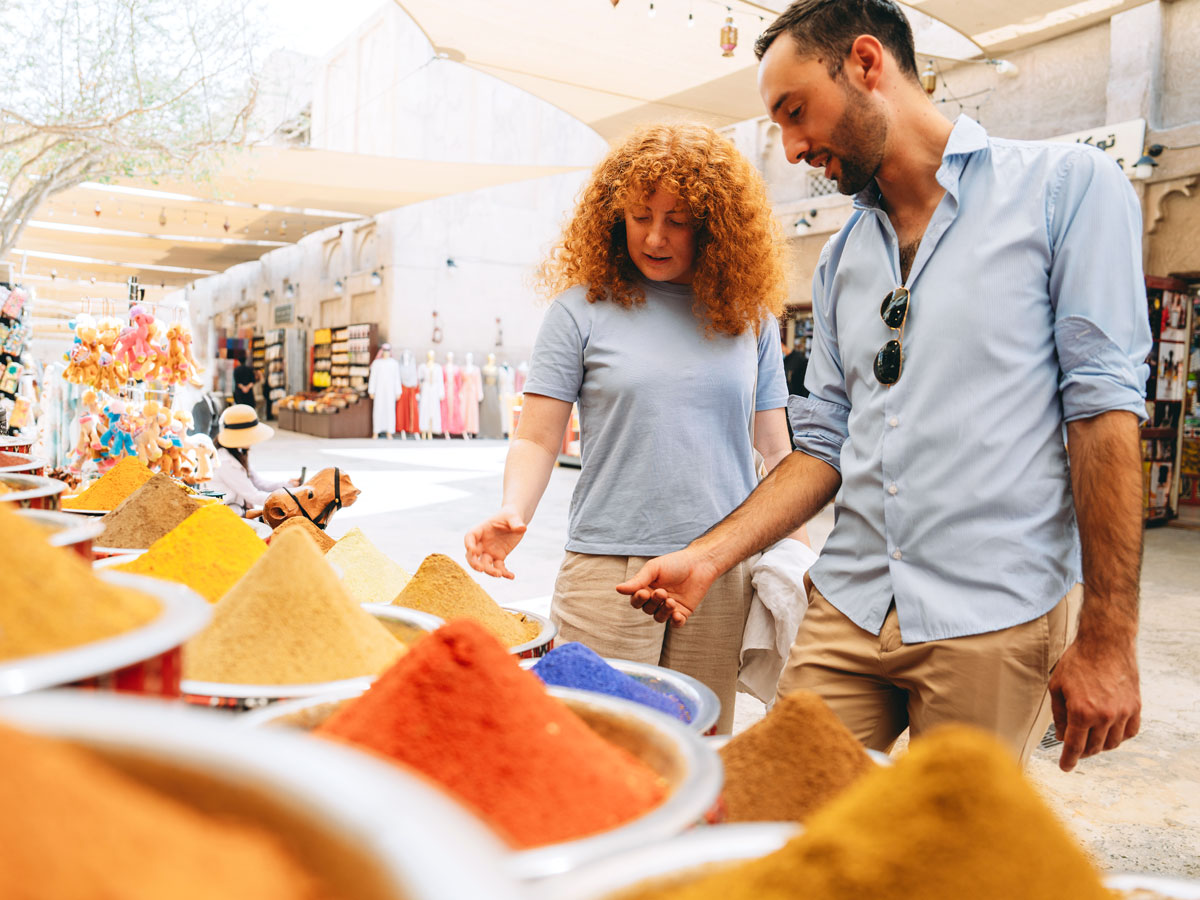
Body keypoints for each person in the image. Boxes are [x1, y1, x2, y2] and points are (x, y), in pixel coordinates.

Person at [620, 0, 1151, 771]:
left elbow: (1103, 414)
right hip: (850, 601)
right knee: (776, 813)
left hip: (994, 614)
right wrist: (707, 557)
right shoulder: (843, 258)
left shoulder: (1068, 190)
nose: (795, 147)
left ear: (867, 64)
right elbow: (824, 447)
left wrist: (1109, 636)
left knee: (944, 869)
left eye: (796, 112)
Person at [464, 122, 801, 733]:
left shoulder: (750, 319)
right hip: (606, 569)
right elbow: (538, 434)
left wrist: (800, 555)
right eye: (640, 214)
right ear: (613, 214)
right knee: (596, 745)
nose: (655, 235)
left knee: (701, 747)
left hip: (719, 572)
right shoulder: (578, 309)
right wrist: (513, 510)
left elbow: (776, 451)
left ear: (713, 225)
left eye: (678, 219)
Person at [209, 404, 298, 519]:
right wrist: (288, 498)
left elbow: (259, 483)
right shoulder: (225, 462)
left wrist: (288, 485)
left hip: (240, 512)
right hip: (227, 518)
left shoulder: (237, 453)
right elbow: (253, 495)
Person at [368, 343, 402, 438]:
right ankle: (376, 431)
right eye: (384, 351)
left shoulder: (394, 364)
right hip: (379, 391)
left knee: (390, 410)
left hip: (390, 392)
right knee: (378, 410)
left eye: (387, 351)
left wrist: (398, 392)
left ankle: (389, 432)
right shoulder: (376, 363)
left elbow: (397, 379)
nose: (386, 353)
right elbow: (373, 378)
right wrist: (371, 390)